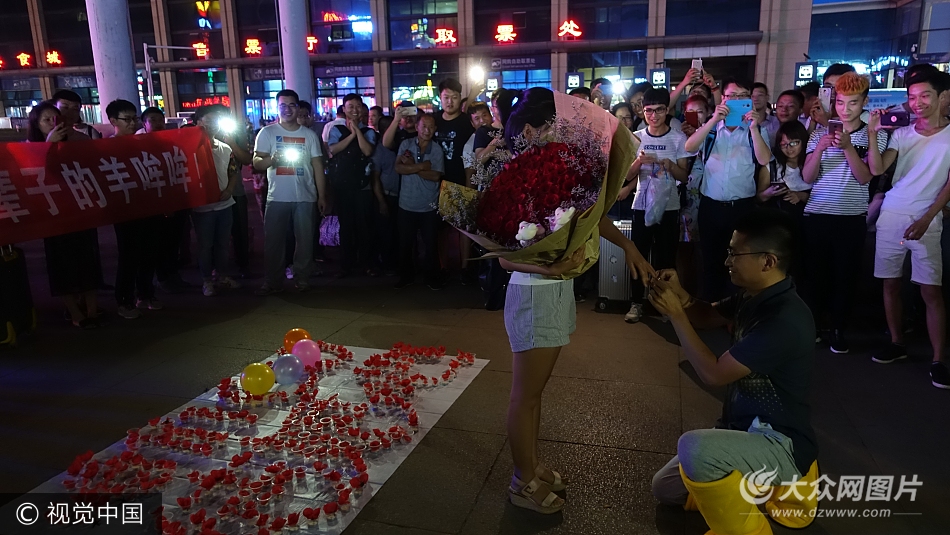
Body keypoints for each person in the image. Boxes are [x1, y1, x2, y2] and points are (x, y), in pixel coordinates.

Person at [497, 88, 654, 514]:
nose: (564, 132)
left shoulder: (553, 170)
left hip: (554, 290)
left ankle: (531, 464)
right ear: (530, 130)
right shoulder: (515, 178)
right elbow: (504, 257)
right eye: (556, 125)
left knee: (536, 393)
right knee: (525, 395)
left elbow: (592, 215)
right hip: (534, 293)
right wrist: (550, 270)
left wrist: (630, 248)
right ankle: (521, 480)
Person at [649, 209, 819, 534]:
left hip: (779, 441)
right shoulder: (755, 296)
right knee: (665, 488)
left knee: (695, 449)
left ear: (768, 261)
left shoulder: (784, 319)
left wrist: (676, 316)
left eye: (735, 254)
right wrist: (682, 298)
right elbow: (707, 315)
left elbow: (712, 374)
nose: (727, 261)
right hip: (743, 429)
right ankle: (753, 486)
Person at [868, 68, 950, 389]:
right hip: (892, 213)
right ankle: (897, 342)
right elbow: (877, 168)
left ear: (942, 96)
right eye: (912, 97)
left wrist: (928, 218)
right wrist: (873, 133)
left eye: (925, 95)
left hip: (927, 219)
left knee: (931, 290)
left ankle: (938, 359)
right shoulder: (902, 134)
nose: (918, 103)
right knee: (890, 283)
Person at [801, 72, 885, 354]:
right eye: (840, 102)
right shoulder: (818, 133)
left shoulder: (873, 134)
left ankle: (838, 329)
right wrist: (818, 150)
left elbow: (866, 177)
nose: (845, 109)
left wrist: (848, 147)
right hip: (817, 213)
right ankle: (812, 326)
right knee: (814, 275)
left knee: (845, 277)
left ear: (865, 102)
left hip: (851, 217)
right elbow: (807, 177)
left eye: (853, 103)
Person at [685, 77, 772, 301]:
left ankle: (735, 312)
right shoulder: (712, 129)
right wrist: (714, 120)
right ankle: (710, 308)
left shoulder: (755, 130)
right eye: (731, 96)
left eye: (742, 96)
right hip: (711, 207)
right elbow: (690, 147)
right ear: (722, 99)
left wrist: (753, 128)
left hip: (742, 207)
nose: (736, 100)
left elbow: (764, 159)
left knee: (741, 263)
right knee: (710, 262)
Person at [27, 102, 104, 329]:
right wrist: (49, 145)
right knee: (62, 266)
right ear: (36, 125)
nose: (53, 123)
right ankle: (75, 313)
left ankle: (92, 310)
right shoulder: (31, 148)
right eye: (47, 120)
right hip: (54, 217)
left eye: (56, 118)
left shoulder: (77, 140)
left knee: (88, 260)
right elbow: (33, 173)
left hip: (81, 211)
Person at [618, 88, 690, 323]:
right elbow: (627, 176)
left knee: (666, 257)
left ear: (667, 110)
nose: (653, 115)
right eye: (649, 110)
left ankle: (664, 305)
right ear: (643, 110)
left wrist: (670, 165)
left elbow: (684, 176)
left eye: (659, 110)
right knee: (638, 254)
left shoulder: (678, 137)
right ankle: (636, 302)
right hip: (641, 204)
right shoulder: (637, 137)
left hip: (669, 206)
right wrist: (639, 162)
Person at [253, 89, 328, 295]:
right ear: (277, 108)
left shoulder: (309, 135)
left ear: (298, 107)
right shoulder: (267, 133)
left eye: (291, 105)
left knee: (305, 241)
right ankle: (273, 281)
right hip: (277, 196)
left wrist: (321, 195)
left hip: (305, 196)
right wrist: (272, 160)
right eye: (282, 105)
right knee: (273, 242)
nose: (287, 109)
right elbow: (257, 163)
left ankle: (302, 278)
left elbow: (317, 166)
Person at [107, 99, 163, 319]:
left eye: (134, 118)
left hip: (148, 205)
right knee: (129, 256)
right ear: (113, 121)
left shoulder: (144, 143)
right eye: (127, 119)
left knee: (150, 252)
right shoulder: (106, 148)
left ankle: (146, 294)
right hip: (125, 210)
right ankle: (124, 300)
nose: (132, 123)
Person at [190, 105, 241, 296]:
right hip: (203, 208)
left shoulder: (225, 148)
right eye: (208, 121)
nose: (213, 125)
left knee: (223, 244)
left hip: (225, 205)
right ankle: (206, 280)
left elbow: (233, 171)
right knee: (205, 246)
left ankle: (222, 276)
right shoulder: (190, 150)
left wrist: (229, 190)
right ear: (198, 123)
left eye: (215, 122)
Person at [327, 93, 378, 277]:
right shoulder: (337, 130)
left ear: (363, 108)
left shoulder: (369, 132)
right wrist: (353, 134)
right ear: (344, 109)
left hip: (363, 185)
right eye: (351, 107)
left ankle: (366, 263)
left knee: (365, 226)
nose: (355, 110)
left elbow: (367, 150)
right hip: (342, 186)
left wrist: (357, 130)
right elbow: (333, 149)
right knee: (346, 226)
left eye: (358, 106)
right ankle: (346, 265)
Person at [393, 114, 445, 290]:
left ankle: (432, 277)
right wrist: (421, 166)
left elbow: (436, 176)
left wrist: (411, 166)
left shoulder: (436, 149)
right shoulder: (406, 144)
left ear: (435, 129)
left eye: (431, 127)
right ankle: (406, 276)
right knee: (405, 244)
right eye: (424, 126)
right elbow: (398, 167)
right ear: (417, 127)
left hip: (428, 205)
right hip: (406, 204)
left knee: (431, 245)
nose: (427, 131)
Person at [435, 78, 477, 281]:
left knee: (464, 228)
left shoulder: (467, 122)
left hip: (461, 180)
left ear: (460, 98)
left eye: (454, 97)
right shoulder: (434, 120)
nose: (449, 101)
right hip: (436, 183)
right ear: (440, 98)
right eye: (446, 97)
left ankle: (465, 268)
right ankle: (442, 267)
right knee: (440, 229)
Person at [677, 95, 710, 297]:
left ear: (708, 113)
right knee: (682, 249)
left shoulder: (712, 134)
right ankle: (683, 292)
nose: (696, 116)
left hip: (705, 199)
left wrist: (699, 133)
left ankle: (700, 295)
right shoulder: (678, 135)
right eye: (691, 112)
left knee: (702, 250)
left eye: (700, 112)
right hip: (682, 199)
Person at [759, 120, 811, 218]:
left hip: (809, 219)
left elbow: (825, 196)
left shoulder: (813, 164)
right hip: (779, 219)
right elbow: (759, 198)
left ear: (803, 141)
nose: (789, 148)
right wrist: (768, 193)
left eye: (794, 143)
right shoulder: (772, 167)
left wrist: (801, 195)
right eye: (783, 144)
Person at [372, 115, 400, 274]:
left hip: (400, 196)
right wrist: (381, 201)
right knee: (385, 233)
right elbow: (375, 178)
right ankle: (386, 264)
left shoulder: (399, 144)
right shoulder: (380, 150)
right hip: (386, 195)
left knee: (397, 232)